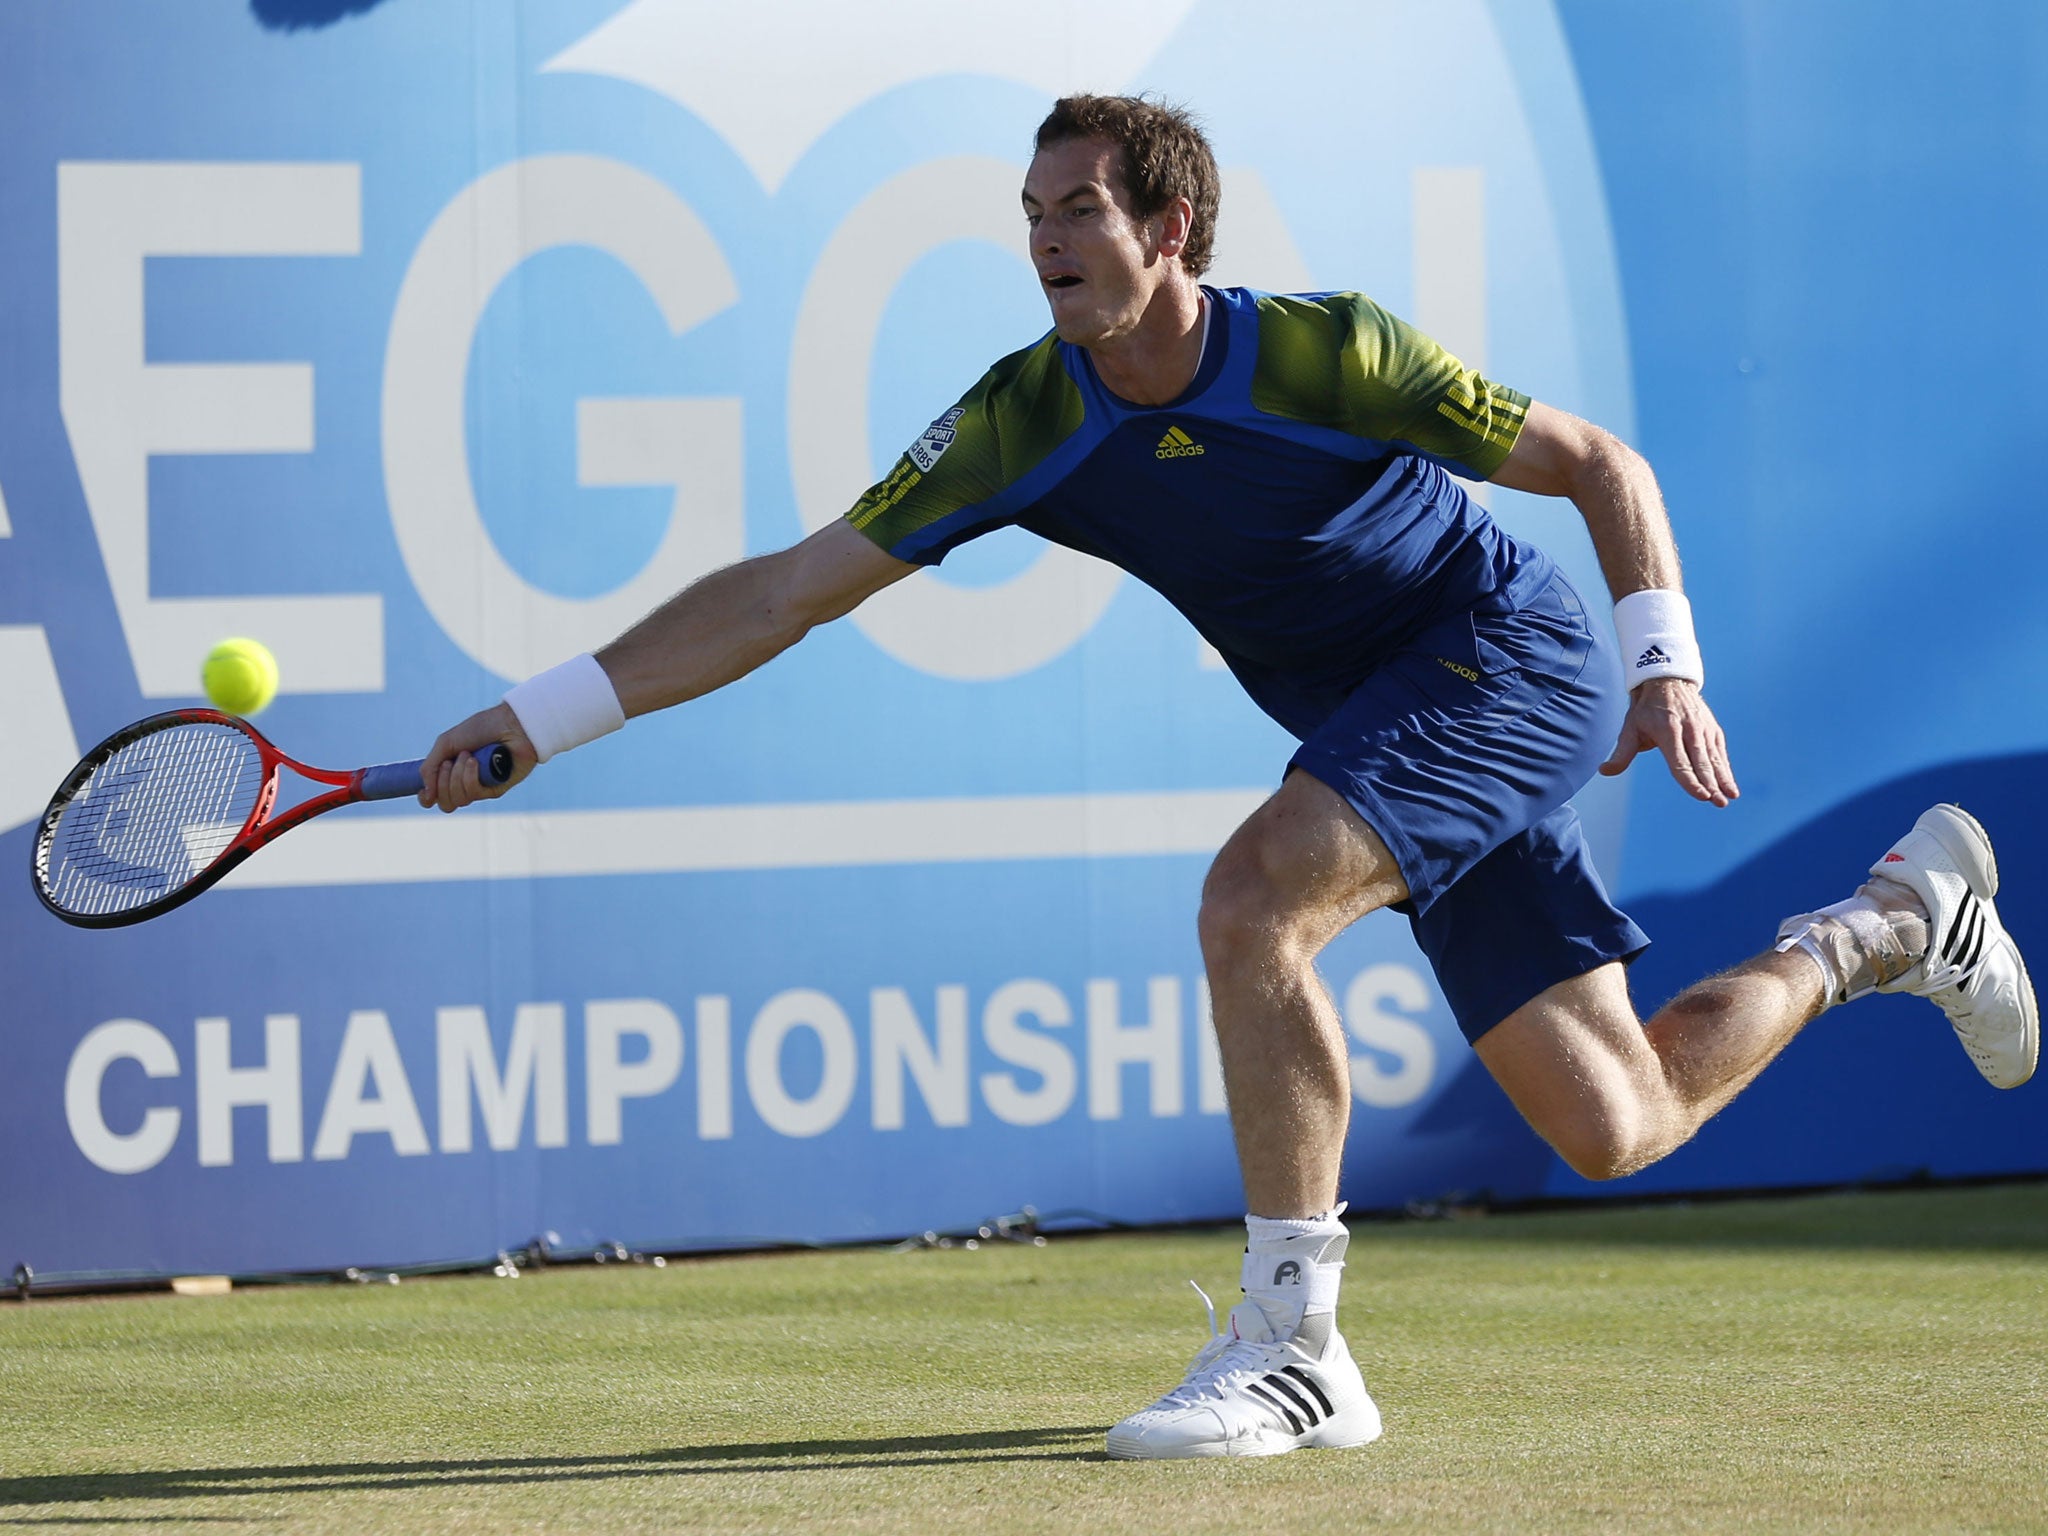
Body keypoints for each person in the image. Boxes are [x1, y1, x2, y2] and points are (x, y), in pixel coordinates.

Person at [419, 95, 2038, 1460]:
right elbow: (784, 591)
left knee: (1253, 901)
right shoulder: (1023, 418)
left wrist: (1664, 656)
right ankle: (1895, 926)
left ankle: (1296, 1344)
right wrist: (539, 716)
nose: (1045, 240)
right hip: (1385, 725)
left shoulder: (1324, 354)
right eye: (1030, 214)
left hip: (1508, 659)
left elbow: (1602, 467)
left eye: (1077, 211)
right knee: (1617, 1120)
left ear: (1170, 227)